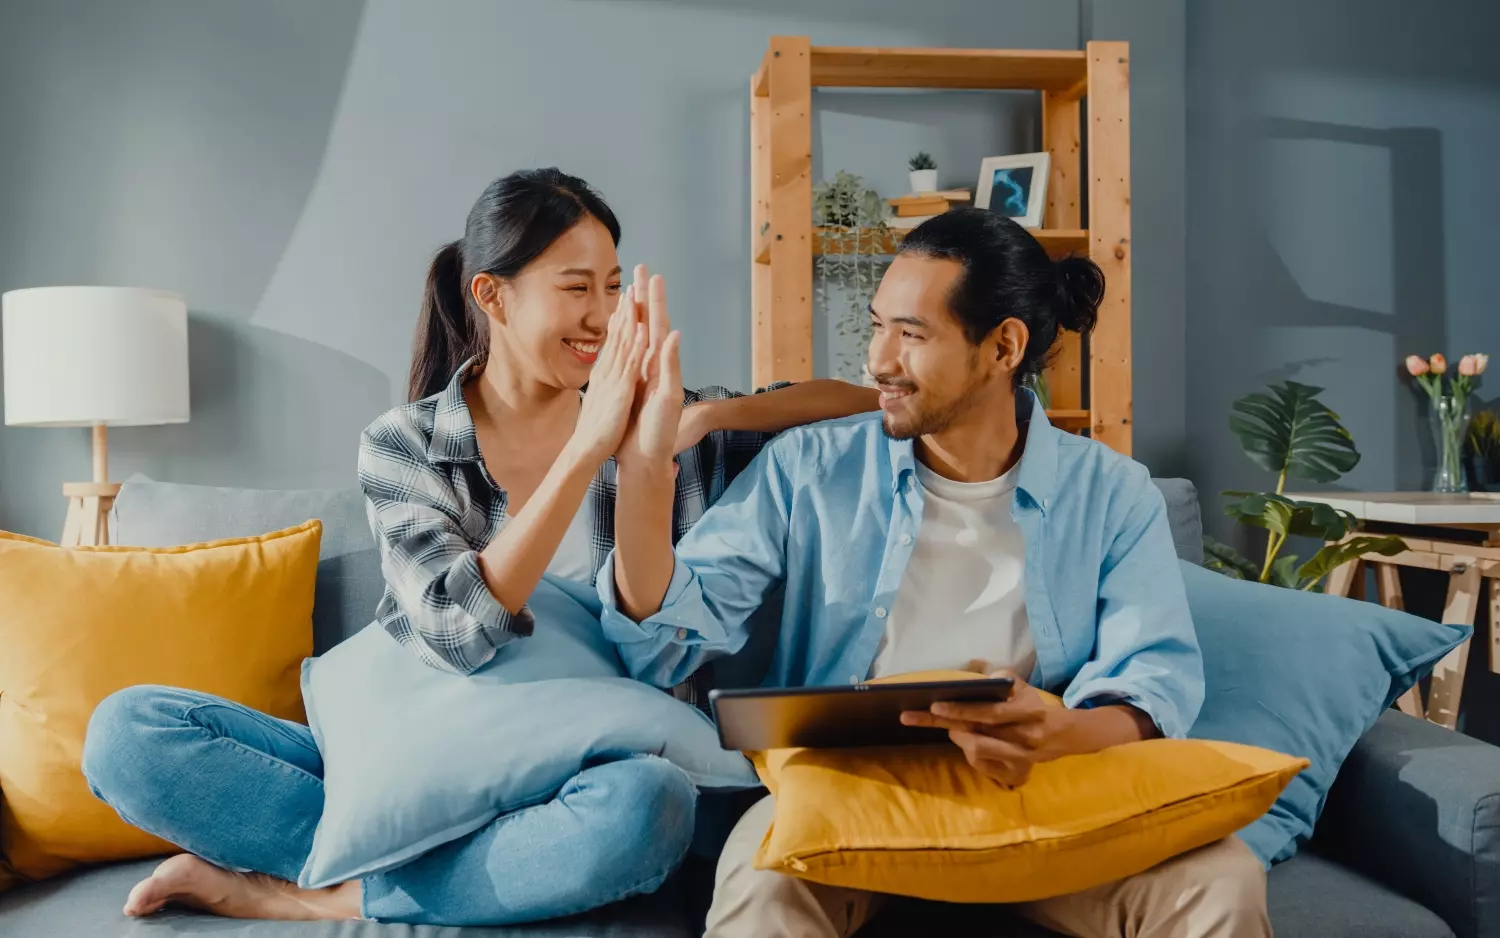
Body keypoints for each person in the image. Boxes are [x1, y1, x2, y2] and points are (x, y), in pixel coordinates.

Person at [80, 168, 878, 926]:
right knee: (130, 732)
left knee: (652, 806)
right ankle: (402, 870)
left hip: (588, 772)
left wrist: (706, 420)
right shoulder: (408, 444)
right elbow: (456, 634)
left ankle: (322, 895)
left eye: (611, 286)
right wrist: (583, 453)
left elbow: (860, 406)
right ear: (491, 294)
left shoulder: (661, 427)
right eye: (575, 289)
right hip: (419, 756)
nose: (602, 315)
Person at [599, 208, 1270, 938]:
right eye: (878, 325)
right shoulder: (810, 469)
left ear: (1004, 346)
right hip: (847, 796)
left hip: (1044, 797)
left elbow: (1154, 685)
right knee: (762, 884)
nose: (877, 360)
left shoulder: (1113, 493)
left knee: (1222, 879)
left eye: (911, 335)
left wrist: (1058, 732)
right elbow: (663, 643)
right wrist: (643, 473)